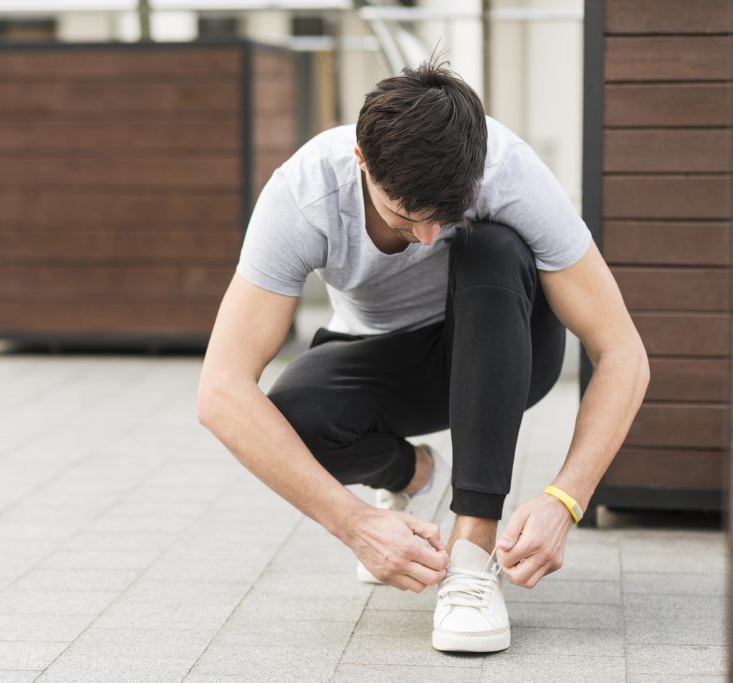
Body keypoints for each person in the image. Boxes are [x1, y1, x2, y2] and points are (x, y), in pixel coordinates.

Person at [196, 57, 649, 653]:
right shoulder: (304, 193)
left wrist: (566, 499)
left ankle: (470, 559)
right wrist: (356, 525)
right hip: (387, 355)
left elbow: (623, 353)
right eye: (408, 217)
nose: (431, 238)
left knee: (489, 247)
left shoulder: (508, 170)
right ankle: (413, 474)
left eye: (446, 215)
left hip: (508, 345)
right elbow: (220, 391)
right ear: (362, 160)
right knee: (293, 421)